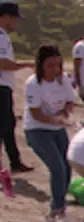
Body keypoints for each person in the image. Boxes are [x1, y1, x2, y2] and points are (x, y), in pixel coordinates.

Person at [24, 45, 76, 222]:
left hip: (58, 129)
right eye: (50, 66)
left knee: (67, 166)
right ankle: (56, 211)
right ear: (41, 65)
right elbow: (36, 113)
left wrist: (66, 113)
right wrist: (56, 119)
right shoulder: (33, 84)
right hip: (37, 130)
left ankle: (58, 206)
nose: (55, 70)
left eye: (58, 65)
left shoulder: (63, 80)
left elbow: (70, 100)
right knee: (57, 168)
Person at [0, 2, 33, 173]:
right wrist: (25, 64)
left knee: (9, 123)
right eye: (14, 18)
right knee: (3, 124)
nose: (16, 22)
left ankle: (15, 161)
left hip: (5, 85)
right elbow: (2, 63)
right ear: (5, 16)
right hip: (1, 86)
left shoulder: (3, 35)